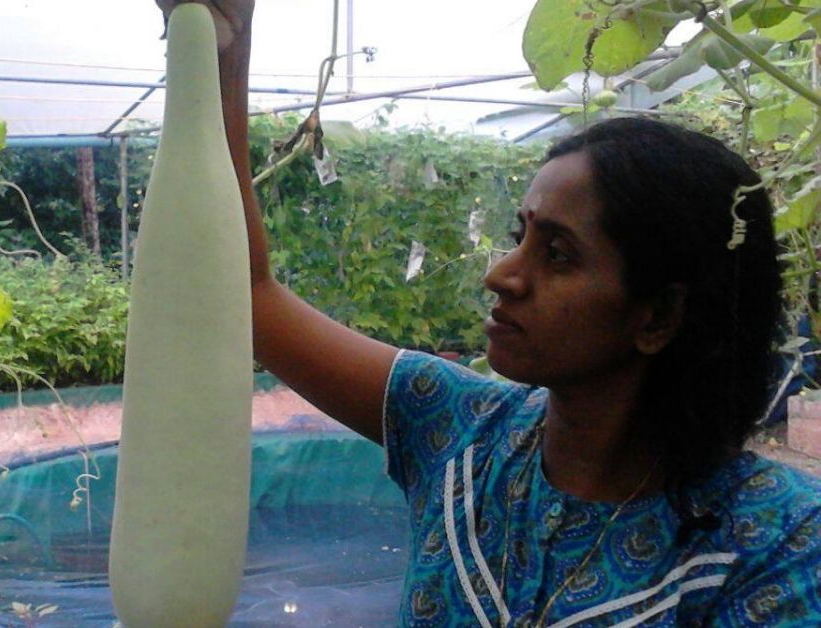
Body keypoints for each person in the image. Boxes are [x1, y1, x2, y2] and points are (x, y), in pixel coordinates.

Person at [155, 1, 821, 625]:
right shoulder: (456, 429)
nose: (500, 274)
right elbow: (241, 293)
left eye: (557, 254)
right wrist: (224, 47)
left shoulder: (779, 545)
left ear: (659, 316)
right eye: (520, 233)